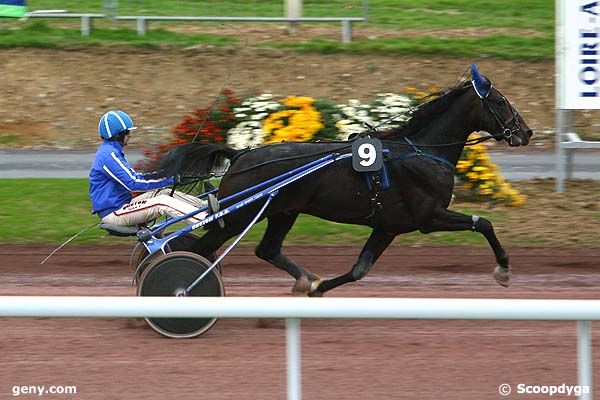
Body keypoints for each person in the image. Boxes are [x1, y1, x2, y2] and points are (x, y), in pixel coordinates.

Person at [89, 110, 206, 227]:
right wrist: (169, 180)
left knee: (163, 192)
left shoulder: (110, 152)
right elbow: (133, 183)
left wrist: (165, 176)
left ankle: (204, 206)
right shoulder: (108, 155)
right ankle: (204, 219)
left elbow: (136, 178)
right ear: (118, 134)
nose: (129, 135)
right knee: (162, 202)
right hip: (115, 213)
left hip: (122, 206)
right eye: (127, 132)